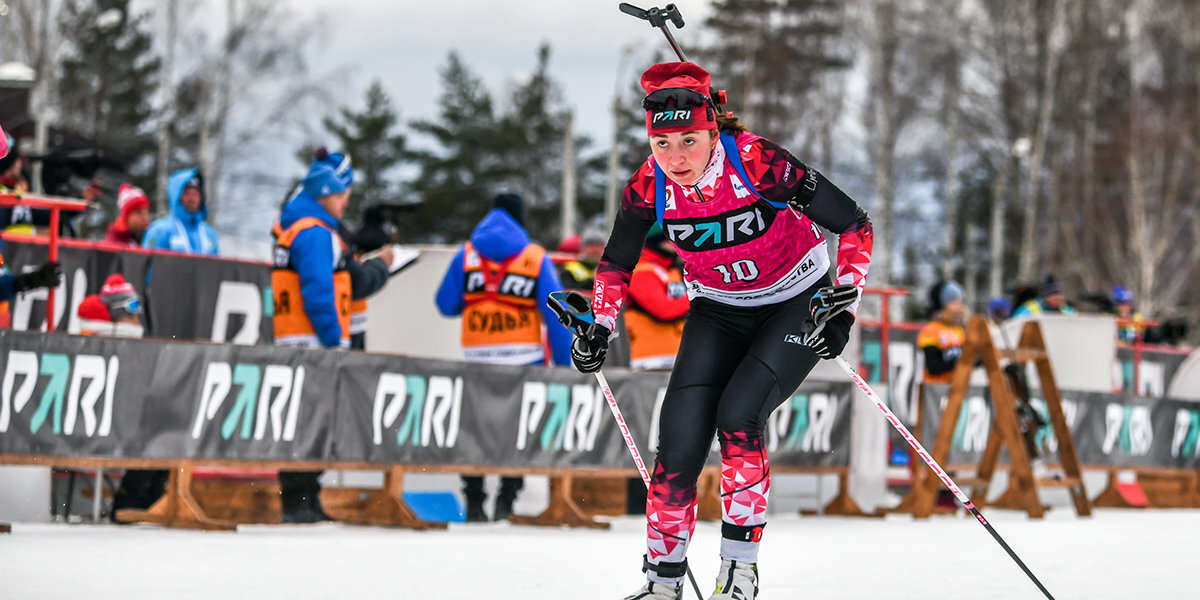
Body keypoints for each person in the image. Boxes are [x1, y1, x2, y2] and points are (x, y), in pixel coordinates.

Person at [573, 62, 873, 600]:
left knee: (739, 415)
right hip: (718, 310)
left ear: (714, 131)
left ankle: (738, 573)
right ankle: (662, 583)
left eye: (689, 140)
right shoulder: (648, 184)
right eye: (662, 143)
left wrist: (843, 304)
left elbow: (855, 223)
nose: (677, 157)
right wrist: (600, 325)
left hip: (795, 300)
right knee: (679, 444)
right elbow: (616, 265)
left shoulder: (758, 162)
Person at [435, 192, 573, 522]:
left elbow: (445, 304)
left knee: (474, 431)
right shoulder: (535, 258)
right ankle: (506, 501)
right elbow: (555, 314)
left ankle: (474, 502)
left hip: (476, 358)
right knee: (517, 433)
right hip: (524, 360)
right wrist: (564, 365)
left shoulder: (466, 255)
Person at [271, 150, 391, 522]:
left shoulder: (302, 228)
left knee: (311, 423)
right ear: (325, 193)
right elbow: (318, 293)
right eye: (342, 197)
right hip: (314, 342)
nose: (345, 204)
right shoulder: (315, 233)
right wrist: (332, 340)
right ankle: (297, 499)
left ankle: (307, 496)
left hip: (299, 340)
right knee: (312, 423)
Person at [624, 223, 689, 371]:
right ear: (657, 242)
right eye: (671, 240)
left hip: (675, 356)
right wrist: (699, 296)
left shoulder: (669, 271)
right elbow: (663, 310)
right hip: (649, 361)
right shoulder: (641, 270)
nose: (676, 246)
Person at [142, 168, 219, 255]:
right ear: (176, 196)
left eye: (195, 194)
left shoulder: (209, 233)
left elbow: (216, 267)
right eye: (187, 193)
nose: (192, 199)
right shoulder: (160, 231)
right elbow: (150, 266)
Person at [917, 281, 966, 384]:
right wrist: (961, 361)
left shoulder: (959, 330)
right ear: (942, 306)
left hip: (957, 390)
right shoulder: (931, 330)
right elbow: (933, 367)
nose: (959, 308)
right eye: (954, 303)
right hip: (936, 389)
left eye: (960, 303)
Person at [558, 228, 607, 292]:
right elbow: (567, 294)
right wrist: (592, 280)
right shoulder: (570, 270)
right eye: (591, 245)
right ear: (582, 248)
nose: (596, 250)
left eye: (599, 246)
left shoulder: (611, 271)